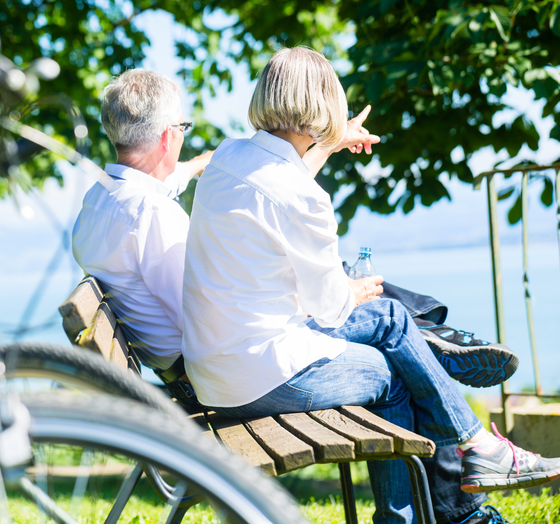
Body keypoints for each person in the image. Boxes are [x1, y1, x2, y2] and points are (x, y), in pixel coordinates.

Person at [72, 68, 523, 524]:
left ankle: (435, 357)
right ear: (169, 136)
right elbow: (203, 304)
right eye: (183, 132)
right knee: (396, 363)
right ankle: (457, 453)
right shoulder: (154, 218)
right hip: (225, 371)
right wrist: (304, 296)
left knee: (387, 319)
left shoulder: (103, 202)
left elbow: (225, 185)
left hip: (204, 364)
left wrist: (319, 144)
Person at [180, 47, 560, 524]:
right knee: (396, 370)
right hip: (263, 375)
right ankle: (460, 467)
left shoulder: (228, 157)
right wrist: (350, 291)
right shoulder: (305, 198)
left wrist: (329, 144)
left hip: (215, 370)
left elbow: (277, 187)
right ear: (322, 103)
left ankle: (471, 450)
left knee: (394, 325)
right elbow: (330, 310)